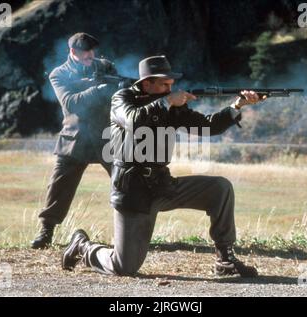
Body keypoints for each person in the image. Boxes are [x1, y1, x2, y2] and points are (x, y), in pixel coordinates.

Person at [61, 56, 265, 277]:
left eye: (171, 85)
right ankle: (83, 247)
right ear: (147, 83)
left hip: (163, 184)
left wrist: (237, 106)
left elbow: (208, 126)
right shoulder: (123, 98)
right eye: (165, 84)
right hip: (133, 191)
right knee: (124, 266)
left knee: (220, 188)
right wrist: (168, 102)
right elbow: (133, 120)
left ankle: (226, 261)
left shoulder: (170, 104)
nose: (171, 88)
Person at [31, 33, 120, 249]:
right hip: (75, 138)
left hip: (106, 136)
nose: (90, 55)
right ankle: (46, 231)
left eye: (91, 51)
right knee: (59, 186)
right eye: (84, 51)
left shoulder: (106, 67)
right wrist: (97, 90)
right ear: (73, 52)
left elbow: (117, 94)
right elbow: (70, 102)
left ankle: (132, 230)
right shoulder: (59, 74)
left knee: (125, 183)